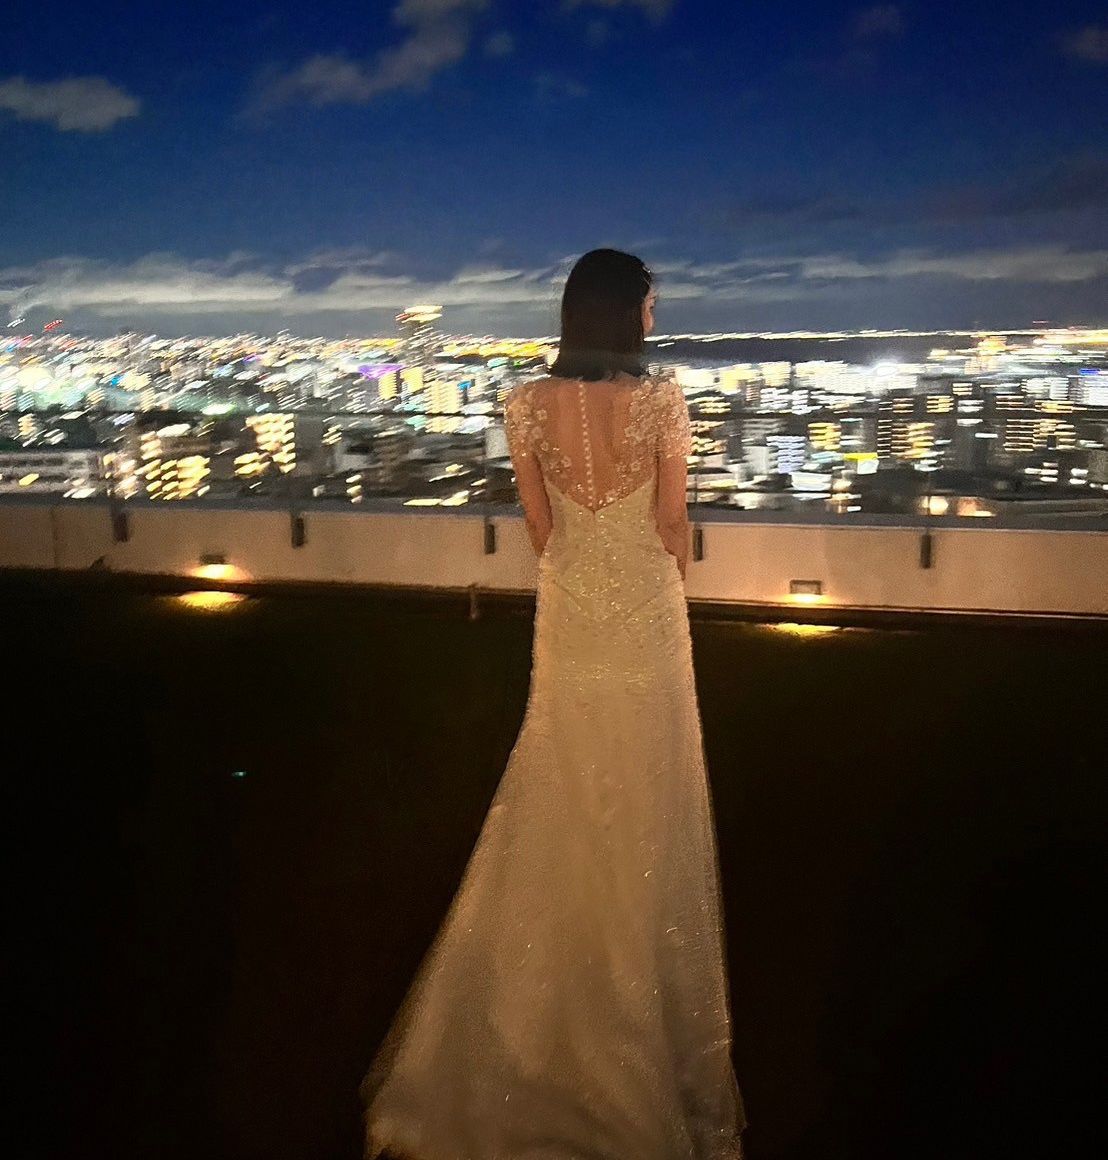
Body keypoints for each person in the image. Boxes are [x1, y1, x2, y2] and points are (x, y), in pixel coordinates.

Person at [360, 249, 748, 1158]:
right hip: (645, 610)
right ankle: (634, 980)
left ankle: (537, 1002)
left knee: (560, 769)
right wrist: (661, 584)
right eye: (649, 305)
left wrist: (580, 573)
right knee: (648, 779)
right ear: (626, 313)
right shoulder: (663, 401)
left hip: (570, 607)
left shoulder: (525, 403)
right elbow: (671, 522)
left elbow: (539, 529)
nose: (654, 318)